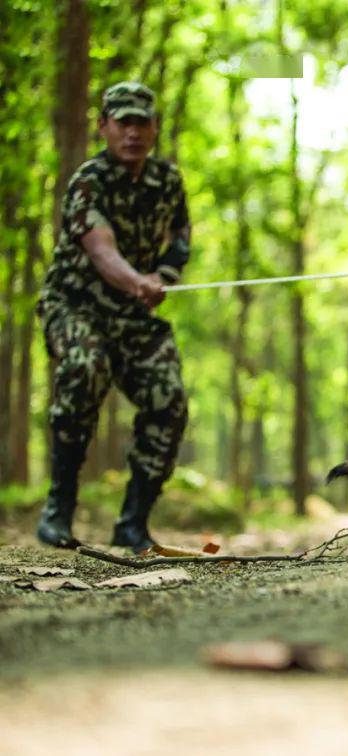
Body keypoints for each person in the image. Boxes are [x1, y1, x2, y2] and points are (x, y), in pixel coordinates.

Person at [36, 82, 191, 553]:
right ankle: (59, 508)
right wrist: (136, 281)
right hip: (75, 305)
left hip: (134, 317)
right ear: (104, 126)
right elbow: (101, 249)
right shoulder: (89, 180)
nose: (133, 132)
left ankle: (132, 524)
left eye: (142, 122)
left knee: (169, 398)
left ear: (154, 128)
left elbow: (181, 237)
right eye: (123, 122)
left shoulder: (167, 181)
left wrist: (163, 273)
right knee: (85, 368)